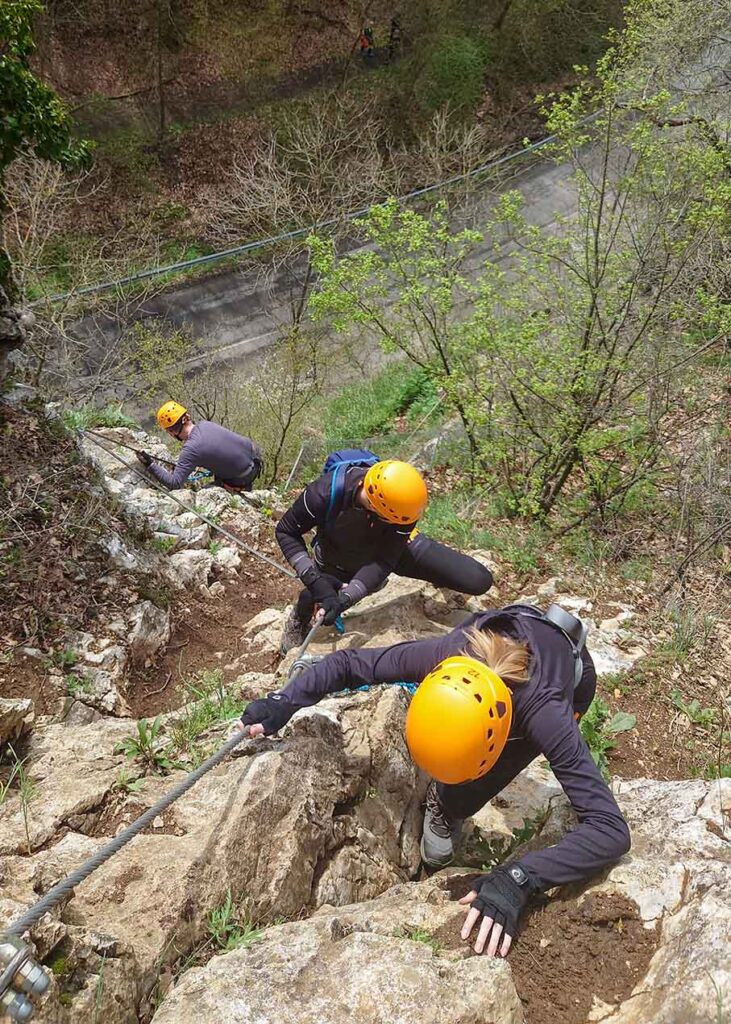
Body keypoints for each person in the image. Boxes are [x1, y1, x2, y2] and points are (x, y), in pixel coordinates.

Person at [232, 603, 631, 958]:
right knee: (462, 791)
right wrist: (284, 702)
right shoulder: (444, 656)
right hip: (517, 639)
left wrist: (520, 879)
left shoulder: (544, 713)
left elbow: (609, 829)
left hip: (571, 676)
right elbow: (348, 664)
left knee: (464, 796)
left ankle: (449, 805)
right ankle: (452, 800)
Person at [275, 457, 493, 653]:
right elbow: (286, 531)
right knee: (317, 593)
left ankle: (435, 577)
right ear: (376, 506)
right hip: (339, 553)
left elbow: (384, 559)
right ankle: (298, 619)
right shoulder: (325, 493)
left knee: (478, 579)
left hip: (391, 546)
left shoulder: (402, 507)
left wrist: (349, 597)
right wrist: (316, 582)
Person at [136, 402, 262, 492]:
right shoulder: (205, 424)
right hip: (255, 457)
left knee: (207, 491)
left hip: (243, 476)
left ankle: (236, 488)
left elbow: (174, 483)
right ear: (187, 417)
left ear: (171, 432)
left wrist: (150, 465)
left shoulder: (191, 448)